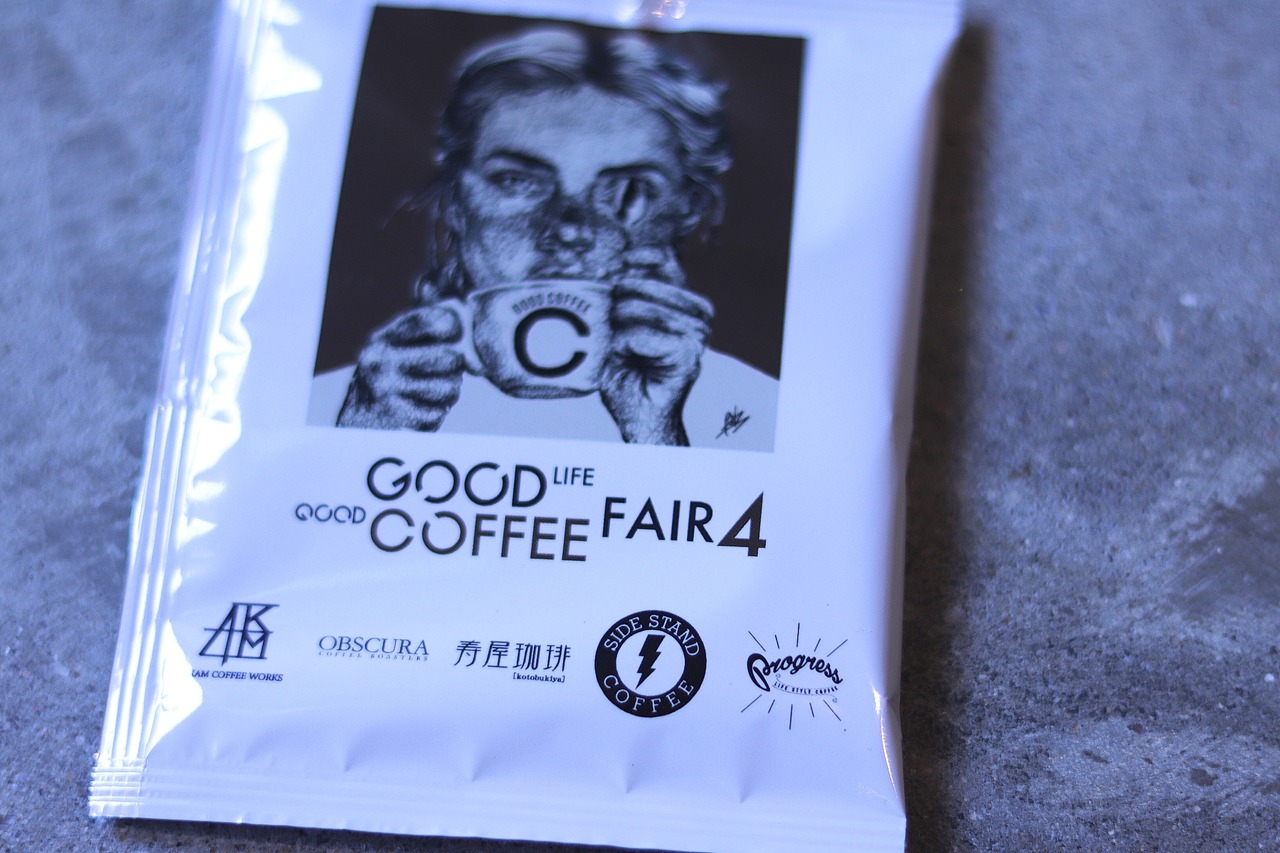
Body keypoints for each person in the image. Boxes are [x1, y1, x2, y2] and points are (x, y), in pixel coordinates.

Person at [312, 27, 777, 449]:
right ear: (455, 201)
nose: (569, 230)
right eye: (518, 181)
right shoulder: (332, 410)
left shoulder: (760, 416)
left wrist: (654, 430)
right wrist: (368, 434)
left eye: (627, 190)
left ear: (686, 210)